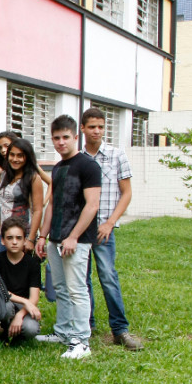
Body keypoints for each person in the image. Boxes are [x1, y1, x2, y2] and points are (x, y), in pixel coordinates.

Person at [34, 115, 102, 359]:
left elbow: (92, 206)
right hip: (55, 238)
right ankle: (63, 332)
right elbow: (52, 203)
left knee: (76, 289)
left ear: (75, 137)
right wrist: (43, 236)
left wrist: (73, 236)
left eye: (65, 137)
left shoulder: (88, 166)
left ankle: (82, 341)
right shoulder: (59, 167)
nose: (61, 142)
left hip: (77, 240)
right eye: (56, 138)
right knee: (60, 287)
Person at [80, 108, 143, 350]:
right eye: (92, 126)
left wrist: (110, 222)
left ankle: (120, 329)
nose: (97, 131)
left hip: (104, 228)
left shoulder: (117, 155)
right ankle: (88, 322)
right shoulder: (78, 158)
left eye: (101, 126)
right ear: (83, 129)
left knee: (108, 277)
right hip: (81, 229)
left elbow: (126, 194)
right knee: (82, 279)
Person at [0, 136, 44, 254]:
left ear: (27, 157)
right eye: (12, 155)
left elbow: (38, 210)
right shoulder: (4, 175)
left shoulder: (33, 178)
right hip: (4, 235)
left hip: (22, 235)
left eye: (20, 155)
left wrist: (31, 239)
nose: (15, 159)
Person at [0, 217, 42, 342]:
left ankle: (16, 331)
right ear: (3, 241)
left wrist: (20, 314)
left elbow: (34, 298)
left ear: (25, 240)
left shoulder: (32, 263)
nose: (14, 242)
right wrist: (25, 302)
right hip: (4, 302)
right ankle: (4, 330)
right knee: (7, 307)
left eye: (18, 238)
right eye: (10, 238)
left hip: (23, 307)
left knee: (31, 329)